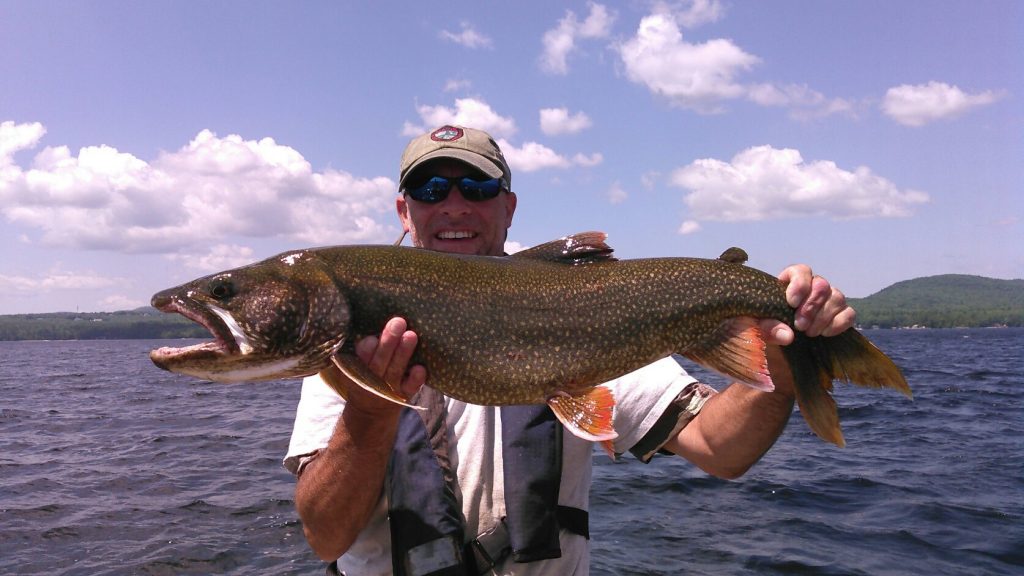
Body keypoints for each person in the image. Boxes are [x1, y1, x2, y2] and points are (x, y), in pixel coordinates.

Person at [284, 125, 855, 576]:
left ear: (509, 208)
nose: (454, 205)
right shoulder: (350, 346)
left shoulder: (577, 304)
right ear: (404, 212)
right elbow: (325, 537)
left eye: (477, 188)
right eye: (431, 190)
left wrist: (780, 352)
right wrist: (370, 409)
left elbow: (721, 449)